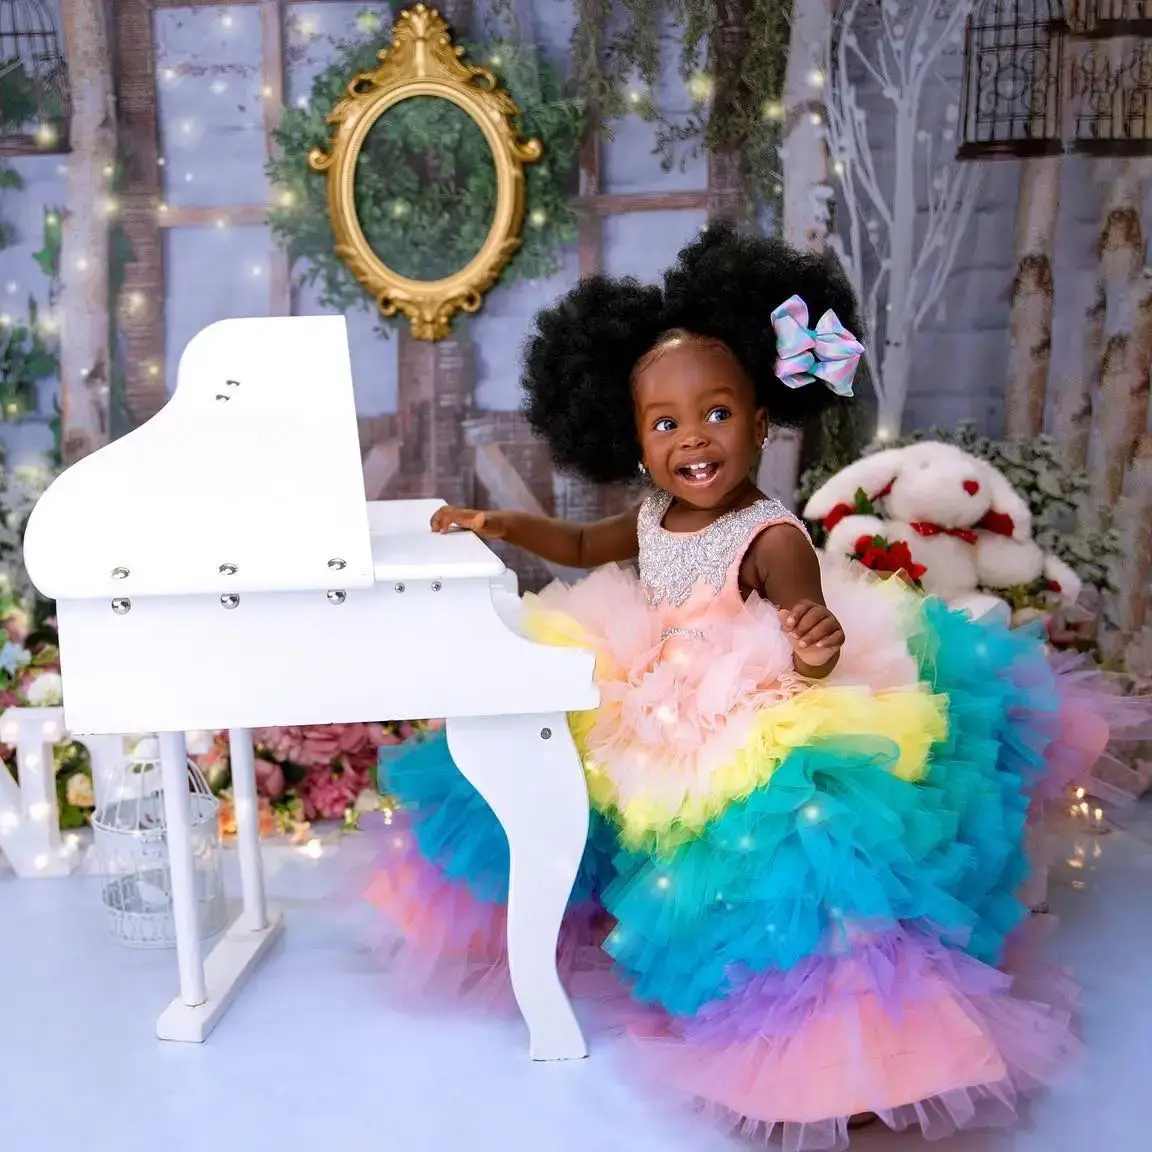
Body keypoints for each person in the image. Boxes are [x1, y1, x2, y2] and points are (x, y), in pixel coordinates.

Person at [364, 222, 1088, 1149]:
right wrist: (504, 521)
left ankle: (839, 1041)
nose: (692, 439)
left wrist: (816, 645)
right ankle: (536, 922)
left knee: (786, 851)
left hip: (749, 705)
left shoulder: (773, 536)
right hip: (654, 683)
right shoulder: (657, 512)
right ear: (632, 441)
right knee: (533, 729)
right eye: (665, 423)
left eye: (716, 413)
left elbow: (806, 634)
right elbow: (589, 547)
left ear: (758, 419)